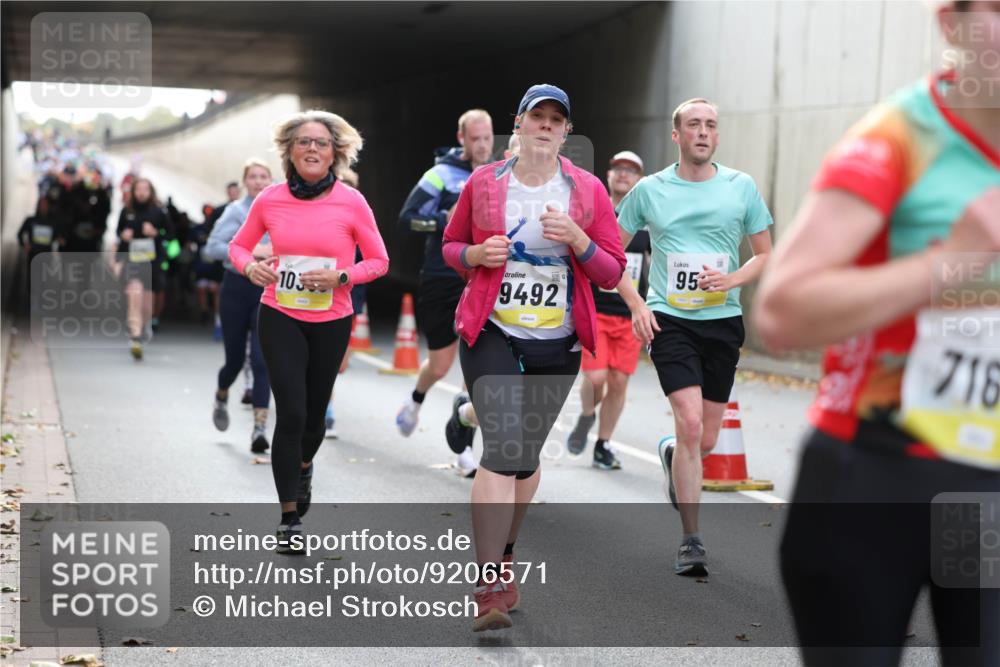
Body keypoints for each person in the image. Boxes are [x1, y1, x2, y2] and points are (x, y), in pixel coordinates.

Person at [754, 2, 999, 663]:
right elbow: (782, 309)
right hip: (874, 478)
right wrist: (949, 262)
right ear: (952, 22)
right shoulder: (900, 137)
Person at [442, 84, 625, 631]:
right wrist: (474, 254)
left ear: (567, 131)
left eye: (556, 119)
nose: (545, 125)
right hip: (492, 328)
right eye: (536, 116)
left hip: (558, 339)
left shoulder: (587, 190)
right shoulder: (484, 183)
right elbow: (451, 246)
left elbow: (612, 270)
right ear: (516, 125)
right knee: (502, 445)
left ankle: (504, 555)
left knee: (524, 458)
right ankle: (487, 584)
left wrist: (579, 241)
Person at [617, 98, 773, 576]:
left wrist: (731, 281)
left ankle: (674, 455)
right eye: (693, 125)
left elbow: (765, 254)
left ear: (717, 136)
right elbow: (608, 253)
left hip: (722, 322)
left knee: (704, 439)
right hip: (670, 319)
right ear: (677, 135)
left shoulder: (740, 187)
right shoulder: (650, 190)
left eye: (710, 125)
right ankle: (691, 540)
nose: (702, 132)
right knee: (688, 423)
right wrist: (638, 304)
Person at [229, 110, 389, 553]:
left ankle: (303, 466)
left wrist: (342, 278)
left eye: (321, 142)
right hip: (279, 312)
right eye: (304, 142)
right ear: (290, 151)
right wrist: (251, 267)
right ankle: (289, 518)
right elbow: (238, 246)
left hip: (332, 318)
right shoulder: (271, 199)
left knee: (315, 419)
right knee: (292, 413)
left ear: (336, 152)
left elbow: (379, 261)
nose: (312, 149)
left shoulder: (352, 202)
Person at [395, 109, 495, 473]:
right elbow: (407, 220)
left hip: (482, 280)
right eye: (476, 139)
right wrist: (444, 220)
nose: (483, 145)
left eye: (487, 138)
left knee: (478, 364)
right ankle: (415, 400)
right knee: (440, 365)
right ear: (462, 139)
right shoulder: (440, 175)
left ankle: (463, 450)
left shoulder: (499, 174)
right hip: (441, 277)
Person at [566, 150, 650, 469]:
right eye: (619, 169)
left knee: (618, 382)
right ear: (609, 175)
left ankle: (603, 443)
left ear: (640, 180)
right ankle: (587, 415)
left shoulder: (647, 222)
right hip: (596, 310)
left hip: (627, 317)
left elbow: (655, 266)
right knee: (596, 377)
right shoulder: (594, 214)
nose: (625, 174)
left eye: (632, 170)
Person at [205, 159, 274, 453]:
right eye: (253, 177)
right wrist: (254, 251)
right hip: (236, 288)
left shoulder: (280, 210)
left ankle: (259, 428)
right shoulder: (236, 212)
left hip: (268, 290)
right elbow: (212, 248)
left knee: (262, 361)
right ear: (245, 182)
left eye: (263, 176)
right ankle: (222, 394)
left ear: (271, 180)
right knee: (234, 361)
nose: (258, 181)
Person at [111, 177, 175, 360]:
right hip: (132, 262)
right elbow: (118, 233)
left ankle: (143, 326)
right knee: (134, 296)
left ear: (150, 191)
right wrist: (124, 236)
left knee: (147, 305)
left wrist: (155, 233)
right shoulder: (126, 211)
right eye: (138, 189)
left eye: (145, 189)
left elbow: (171, 234)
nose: (141, 192)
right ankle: (135, 337)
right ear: (133, 191)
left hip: (152, 263)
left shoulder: (159, 212)